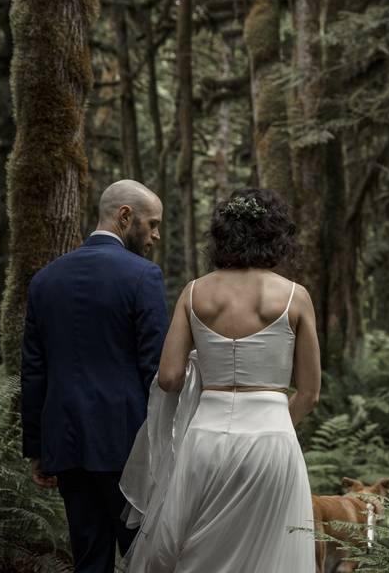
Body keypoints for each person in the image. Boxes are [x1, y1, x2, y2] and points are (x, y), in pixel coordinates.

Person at [120, 187, 321, 572]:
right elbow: (309, 393)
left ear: (222, 236)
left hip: (205, 438)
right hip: (272, 440)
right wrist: (277, 424)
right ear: (274, 236)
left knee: (194, 551)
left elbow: (169, 377)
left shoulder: (195, 293)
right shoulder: (295, 297)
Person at [21, 180, 169, 573]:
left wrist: (37, 447)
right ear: (125, 216)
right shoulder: (144, 277)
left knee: (88, 560)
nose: (155, 236)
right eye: (151, 224)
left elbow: (34, 371)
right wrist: (166, 444)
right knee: (144, 557)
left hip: (67, 442)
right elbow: (155, 369)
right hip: (130, 446)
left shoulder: (44, 280)